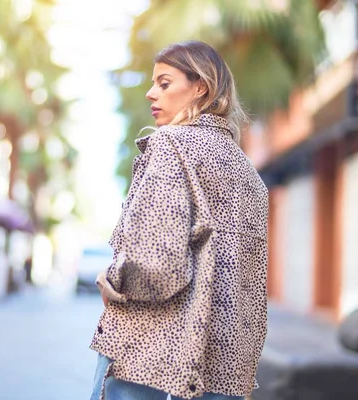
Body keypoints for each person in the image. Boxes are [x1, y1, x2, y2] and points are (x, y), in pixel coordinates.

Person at [90, 41, 269, 400]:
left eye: (164, 83)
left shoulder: (171, 146)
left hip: (147, 346)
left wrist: (114, 280)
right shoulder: (246, 171)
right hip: (228, 354)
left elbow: (158, 264)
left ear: (200, 86)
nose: (150, 93)